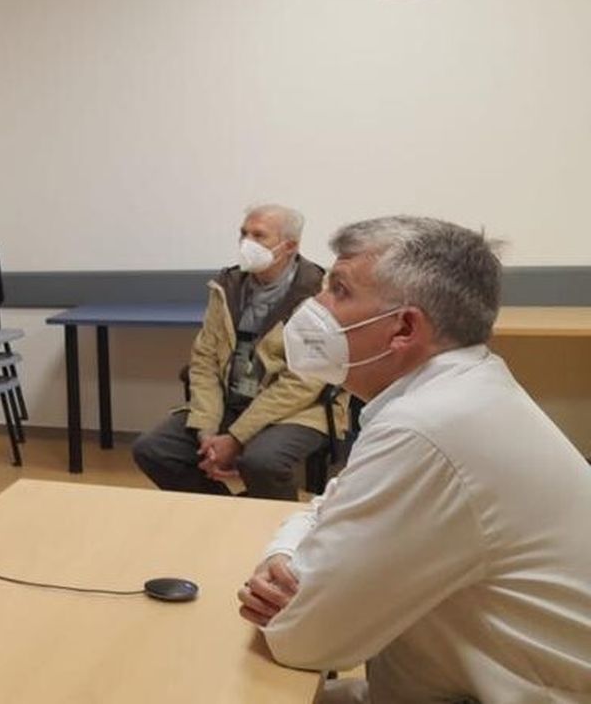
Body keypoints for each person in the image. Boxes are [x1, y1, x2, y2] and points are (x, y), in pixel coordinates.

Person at [238, 216, 591, 701]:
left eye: (338, 290)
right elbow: (335, 501)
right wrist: (283, 555)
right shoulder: (462, 390)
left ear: (404, 327)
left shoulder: (428, 427)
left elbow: (302, 639)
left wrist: (289, 585)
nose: (315, 306)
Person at [132, 204, 345, 500]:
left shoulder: (319, 294)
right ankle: (220, 513)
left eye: (259, 236)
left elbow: (304, 382)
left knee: (261, 462)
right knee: (153, 449)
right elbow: (204, 360)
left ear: (290, 246)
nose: (247, 243)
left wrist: (235, 437)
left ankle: (276, 531)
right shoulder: (227, 286)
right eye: (243, 233)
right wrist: (207, 431)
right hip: (233, 399)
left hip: (298, 409)